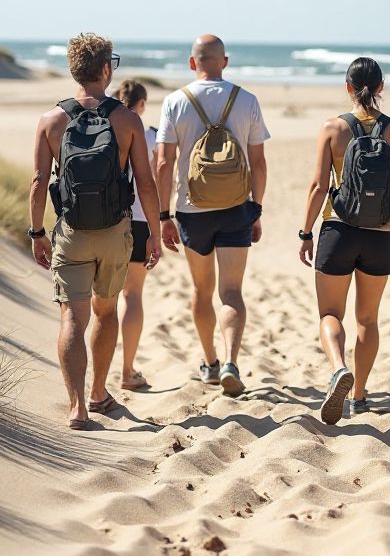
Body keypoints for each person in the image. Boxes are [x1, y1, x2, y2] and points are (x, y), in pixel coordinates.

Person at [30, 33, 162, 430]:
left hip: (70, 231)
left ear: (74, 70)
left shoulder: (51, 120)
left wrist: (36, 232)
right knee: (106, 310)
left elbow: (38, 181)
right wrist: (153, 233)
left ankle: (76, 408)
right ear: (107, 69)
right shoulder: (127, 119)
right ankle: (99, 393)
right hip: (116, 231)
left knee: (72, 316)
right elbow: (146, 183)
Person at [299, 57, 390, 424]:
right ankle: (359, 394)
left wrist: (305, 231)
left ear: (347, 87)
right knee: (368, 320)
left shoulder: (332, 129)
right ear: (380, 88)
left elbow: (318, 186)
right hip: (378, 236)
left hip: (338, 231)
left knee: (331, 314)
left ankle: (337, 369)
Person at [156, 35, 269, 396]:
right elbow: (259, 162)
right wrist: (257, 207)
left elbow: (163, 162)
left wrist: (163, 216)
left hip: (192, 211)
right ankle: (232, 360)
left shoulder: (175, 102)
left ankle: (210, 363)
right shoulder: (246, 100)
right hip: (236, 207)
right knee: (231, 291)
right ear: (225, 61)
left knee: (202, 291)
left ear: (193, 63)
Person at [113, 78, 158, 390]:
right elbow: (155, 179)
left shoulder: (105, 128)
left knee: (102, 297)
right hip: (140, 219)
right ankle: (127, 371)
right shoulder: (151, 134)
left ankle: (98, 377)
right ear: (142, 104)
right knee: (132, 294)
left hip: (105, 221)